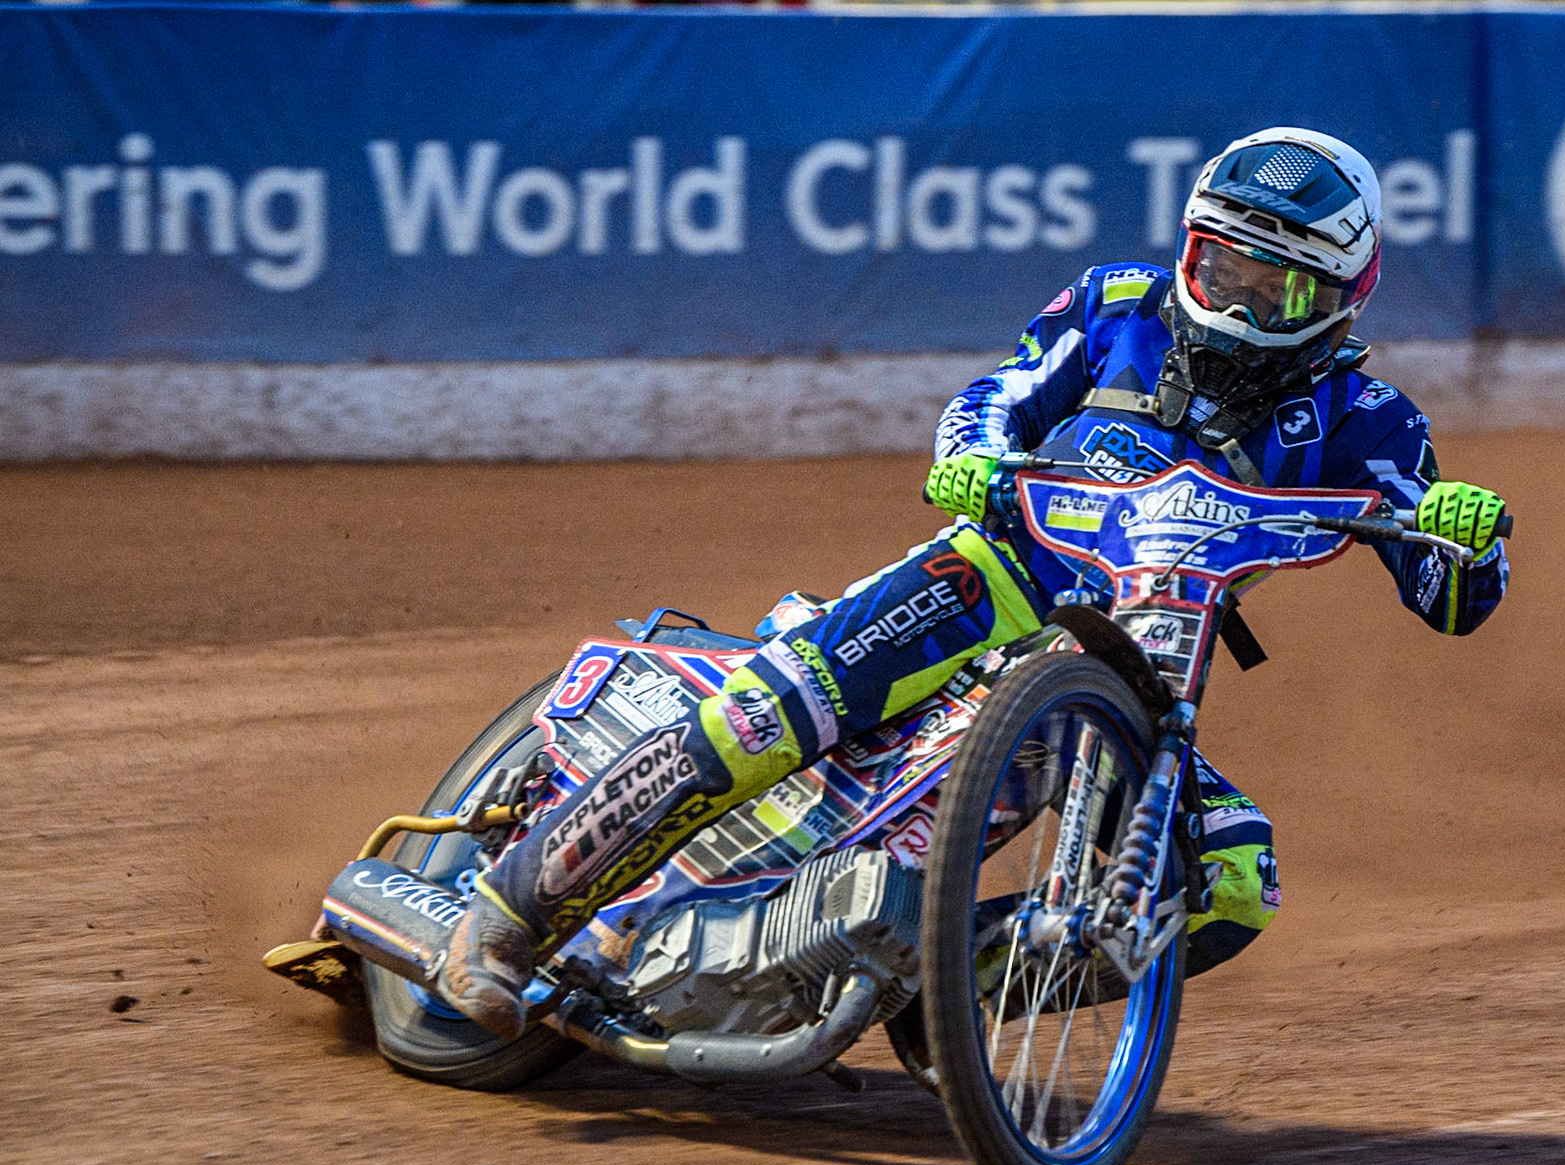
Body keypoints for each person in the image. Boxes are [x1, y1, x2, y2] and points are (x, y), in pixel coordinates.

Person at [437, 126, 1510, 1040]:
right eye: (1221, 262)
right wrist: (980, 457)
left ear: (1339, 293)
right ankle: (505, 916)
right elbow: (996, 394)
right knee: (771, 709)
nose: (1238, 292)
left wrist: (1468, 532)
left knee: (1233, 878)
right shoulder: (1118, 304)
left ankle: (945, 998)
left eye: (1274, 281)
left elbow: (1450, 593)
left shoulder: (1370, 420)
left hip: (1137, 661)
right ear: (1190, 246)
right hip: (988, 574)